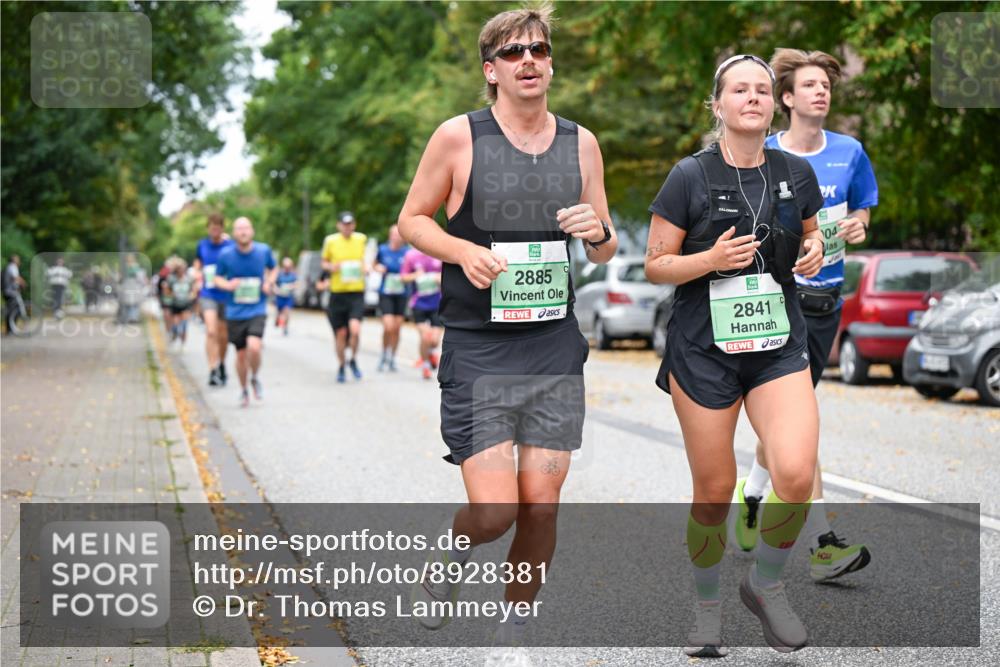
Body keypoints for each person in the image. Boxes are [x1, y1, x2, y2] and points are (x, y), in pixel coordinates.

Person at [397, 6, 617, 662]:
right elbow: (412, 220)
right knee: (493, 512)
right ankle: (453, 550)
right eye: (514, 52)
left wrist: (597, 231)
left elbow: (603, 247)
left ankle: (514, 630)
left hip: (552, 345)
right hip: (480, 347)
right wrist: (461, 252)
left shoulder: (582, 143)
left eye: (540, 51)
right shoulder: (458, 138)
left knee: (541, 507)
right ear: (491, 70)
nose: (529, 61)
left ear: (550, 64)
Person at [645, 54, 825, 656]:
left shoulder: (795, 172)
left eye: (762, 90)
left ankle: (765, 584)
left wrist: (815, 248)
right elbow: (655, 265)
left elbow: (812, 228)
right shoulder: (688, 176)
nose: (752, 97)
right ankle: (705, 609)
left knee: (796, 474)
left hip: (776, 342)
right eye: (739, 90)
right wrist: (708, 261)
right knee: (714, 490)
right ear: (717, 105)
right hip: (704, 351)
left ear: (774, 105)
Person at [730, 49, 878, 583]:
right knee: (800, 424)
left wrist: (858, 225)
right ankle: (821, 544)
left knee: (788, 423)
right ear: (786, 98)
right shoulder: (762, 153)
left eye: (826, 86)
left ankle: (751, 495)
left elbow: (861, 209)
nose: (821, 92)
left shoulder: (850, 151)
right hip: (779, 300)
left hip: (826, 304)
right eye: (809, 85)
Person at [213, 217, 277, 408]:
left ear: (252, 231)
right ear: (234, 233)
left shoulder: (263, 251)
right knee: (241, 355)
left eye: (246, 228)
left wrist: (269, 282)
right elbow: (217, 278)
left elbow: (273, 269)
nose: (243, 232)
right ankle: (243, 389)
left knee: (254, 347)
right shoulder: (226, 255)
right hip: (234, 311)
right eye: (239, 228)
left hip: (257, 308)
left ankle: (255, 376)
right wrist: (228, 285)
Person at [321, 211, 368, 383]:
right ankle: (341, 365)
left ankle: (353, 360)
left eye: (350, 224)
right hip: (338, 293)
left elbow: (366, 260)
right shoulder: (331, 241)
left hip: (356, 292)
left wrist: (366, 267)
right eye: (344, 224)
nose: (347, 227)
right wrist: (332, 267)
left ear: (354, 225)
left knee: (355, 330)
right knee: (340, 333)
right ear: (339, 225)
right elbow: (323, 263)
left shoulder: (361, 239)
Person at [194, 213, 235, 387]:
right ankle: (212, 369)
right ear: (208, 228)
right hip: (208, 293)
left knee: (224, 335)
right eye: (212, 227)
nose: (215, 231)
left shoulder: (230, 245)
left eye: (218, 228)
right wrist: (197, 274)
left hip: (226, 295)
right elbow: (198, 263)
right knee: (211, 331)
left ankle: (222, 364)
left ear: (222, 229)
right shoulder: (202, 245)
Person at [401, 247, 443, 380]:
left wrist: (440, 278)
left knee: (435, 341)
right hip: (418, 303)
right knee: (426, 336)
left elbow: (450, 276)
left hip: (437, 303)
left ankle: (430, 352)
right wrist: (415, 276)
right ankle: (425, 366)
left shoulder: (439, 253)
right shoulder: (411, 256)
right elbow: (403, 277)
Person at [374, 225, 410, 371]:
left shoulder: (407, 252)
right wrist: (378, 268)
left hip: (401, 293)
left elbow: (412, 270)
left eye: (399, 235)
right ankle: (384, 352)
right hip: (386, 292)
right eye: (394, 235)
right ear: (390, 236)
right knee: (388, 326)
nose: (396, 237)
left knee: (397, 328)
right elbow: (374, 265)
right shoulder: (382, 250)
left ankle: (392, 357)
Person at [166, 257, 198, 346]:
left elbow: (194, 289)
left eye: (183, 269)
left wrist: (192, 295)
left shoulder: (189, 279)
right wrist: (173, 294)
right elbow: (167, 290)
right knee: (176, 323)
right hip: (175, 304)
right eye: (179, 269)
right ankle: (175, 333)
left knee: (184, 323)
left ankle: (183, 342)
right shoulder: (171, 279)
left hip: (186, 304)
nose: (181, 271)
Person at [2, 254, 26, 333]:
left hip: (8, 292)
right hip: (11, 292)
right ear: (14, 260)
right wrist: (23, 283)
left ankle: (10, 329)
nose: (19, 261)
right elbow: (15, 277)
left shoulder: (9, 266)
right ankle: (10, 329)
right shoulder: (12, 266)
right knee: (14, 310)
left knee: (12, 310)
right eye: (17, 259)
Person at [274, 257, 297, 336]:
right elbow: (274, 284)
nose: (287, 268)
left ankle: (285, 327)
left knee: (287, 312)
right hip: (280, 296)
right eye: (285, 267)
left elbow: (296, 284)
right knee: (279, 312)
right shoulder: (279, 274)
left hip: (288, 297)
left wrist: (292, 286)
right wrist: (276, 289)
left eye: (289, 267)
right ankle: (277, 319)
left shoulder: (293, 275)